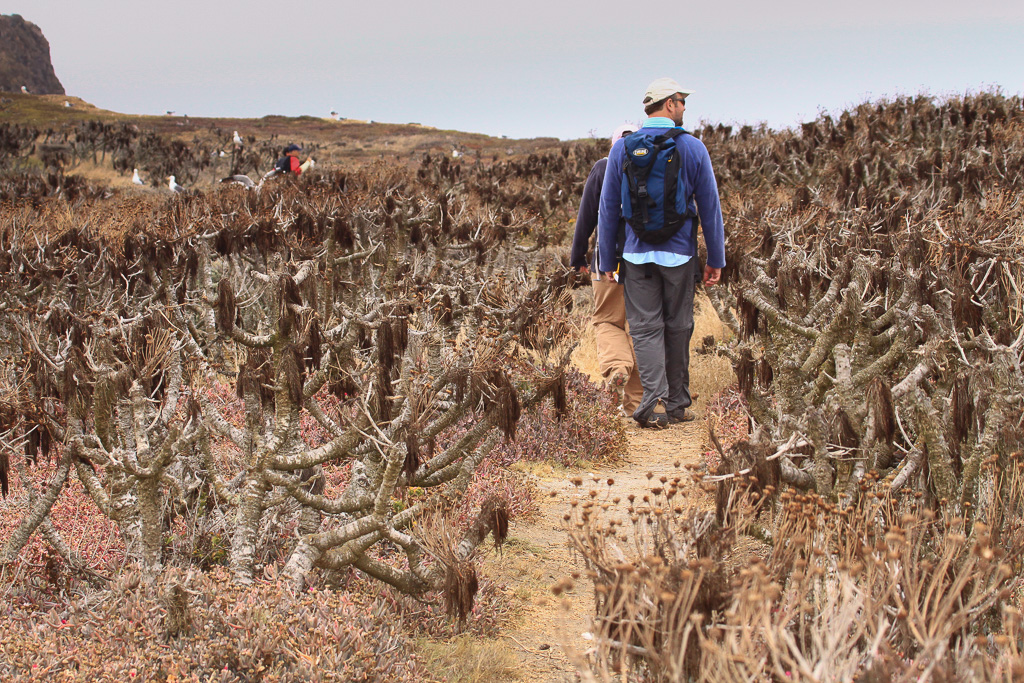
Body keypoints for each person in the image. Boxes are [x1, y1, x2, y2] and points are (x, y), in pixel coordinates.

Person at [597, 78, 725, 429]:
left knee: (644, 328)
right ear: (669, 104)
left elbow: (607, 210)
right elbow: (710, 208)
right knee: (679, 325)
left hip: (636, 256)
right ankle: (677, 404)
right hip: (680, 254)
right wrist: (716, 259)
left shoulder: (622, 150)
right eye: (682, 101)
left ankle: (651, 404)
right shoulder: (694, 148)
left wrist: (606, 261)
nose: (684, 107)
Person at [569, 123, 644, 415]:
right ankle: (638, 403)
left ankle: (616, 367)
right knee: (639, 328)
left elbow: (586, 215)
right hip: (646, 259)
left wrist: (578, 256)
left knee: (607, 321)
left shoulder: (603, 166)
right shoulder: (651, 165)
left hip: (606, 261)